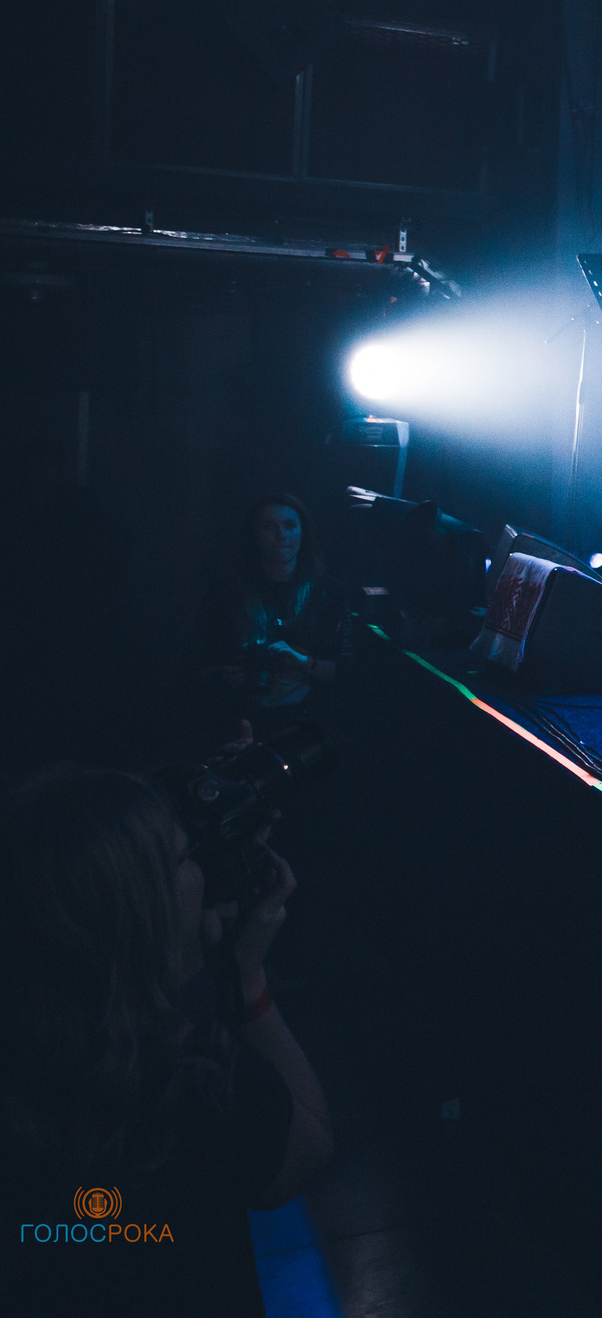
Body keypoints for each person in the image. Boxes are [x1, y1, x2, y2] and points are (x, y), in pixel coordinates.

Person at [0, 763, 333, 1315]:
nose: (199, 869)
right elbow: (307, 1151)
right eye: (183, 858)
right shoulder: (190, 1078)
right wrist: (246, 979)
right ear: (140, 906)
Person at [203, 494, 355, 731]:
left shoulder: (329, 594)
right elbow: (197, 661)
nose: (281, 535)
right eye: (268, 527)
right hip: (235, 718)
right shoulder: (227, 591)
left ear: (303, 532)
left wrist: (302, 662)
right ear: (254, 534)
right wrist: (225, 675)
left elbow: (345, 670)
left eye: (290, 525)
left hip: (307, 722)